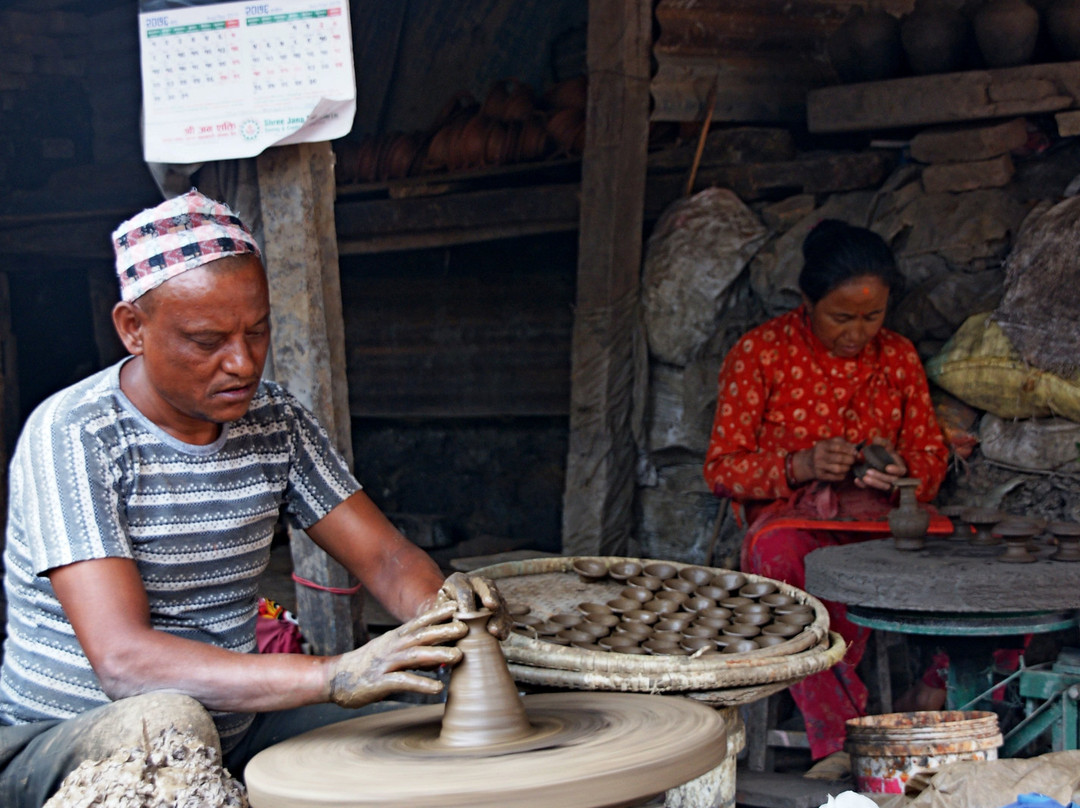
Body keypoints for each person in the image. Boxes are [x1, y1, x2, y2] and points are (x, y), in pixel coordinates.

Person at [0, 190, 509, 807]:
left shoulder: (274, 420)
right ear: (132, 329)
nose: (241, 362)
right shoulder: (76, 433)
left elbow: (386, 559)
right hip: (66, 742)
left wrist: (447, 617)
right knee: (171, 721)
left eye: (257, 330)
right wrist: (334, 673)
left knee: (431, 717)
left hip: (235, 729)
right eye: (206, 340)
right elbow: (123, 661)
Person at [703, 219, 948, 768]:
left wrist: (903, 470)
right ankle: (839, 742)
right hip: (795, 524)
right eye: (841, 316)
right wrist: (799, 465)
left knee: (973, 558)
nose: (857, 333)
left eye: (872, 316)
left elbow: (930, 458)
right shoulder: (761, 353)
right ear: (806, 301)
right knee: (787, 567)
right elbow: (722, 468)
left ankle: (934, 693)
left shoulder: (899, 357)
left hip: (881, 520)